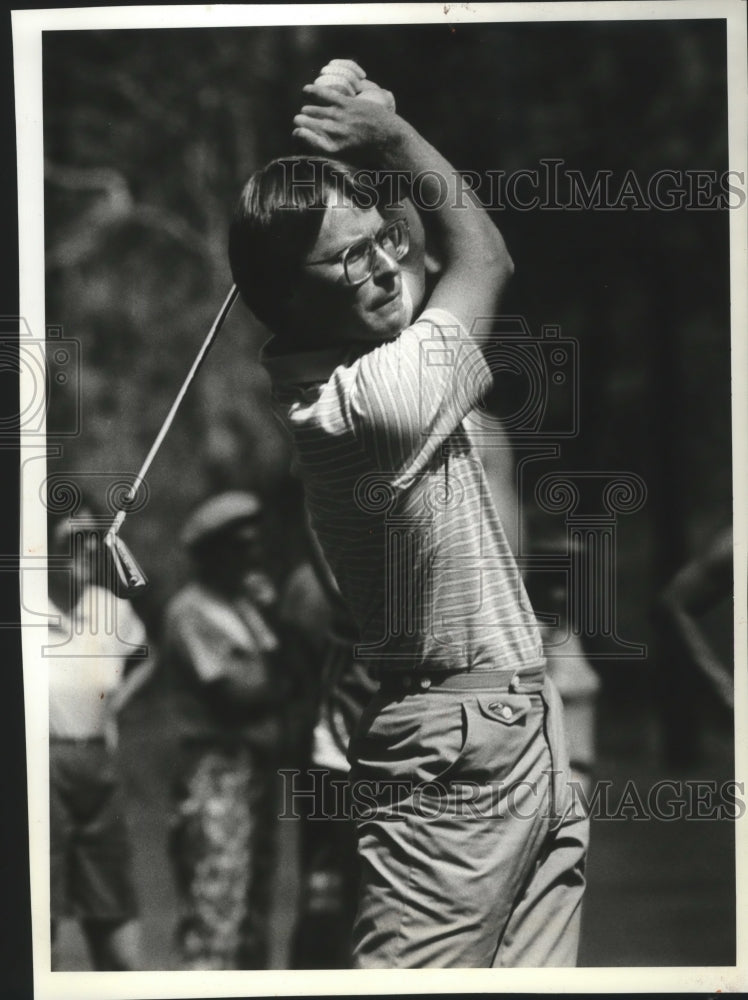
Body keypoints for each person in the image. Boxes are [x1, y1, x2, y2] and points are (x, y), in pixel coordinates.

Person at [229, 60, 588, 968]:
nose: (389, 263)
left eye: (380, 237)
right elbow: (483, 254)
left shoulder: (364, 346)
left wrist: (369, 133)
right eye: (351, 256)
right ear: (290, 301)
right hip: (456, 751)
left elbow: (426, 240)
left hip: (517, 728)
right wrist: (387, 134)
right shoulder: (375, 401)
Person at [160, 491, 285, 969]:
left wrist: (274, 625)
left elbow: (280, 670)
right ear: (210, 552)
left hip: (254, 768)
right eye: (239, 546)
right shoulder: (191, 611)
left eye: (255, 544)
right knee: (215, 909)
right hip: (213, 770)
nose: (252, 556)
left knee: (254, 910)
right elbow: (236, 695)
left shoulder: (246, 608)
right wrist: (282, 684)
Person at [47, 513, 151, 971]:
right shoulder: (23, 608)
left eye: (96, 540)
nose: (89, 549)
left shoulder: (111, 607)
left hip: (97, 764)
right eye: (75, 539)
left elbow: (148, 654)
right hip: (38, 770)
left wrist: (120, 699)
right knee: (37, 921)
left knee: (115, 917)